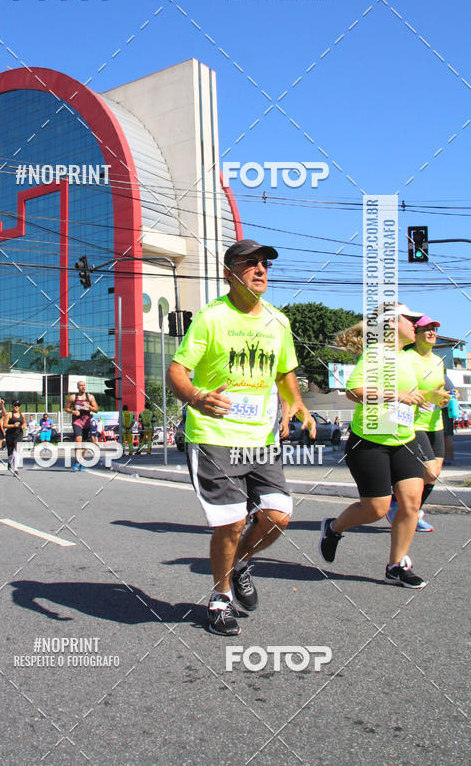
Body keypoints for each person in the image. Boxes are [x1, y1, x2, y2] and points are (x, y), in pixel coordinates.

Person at [166, 238, 315, 636]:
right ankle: (219, 598)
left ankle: (240, 564)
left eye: (265, 263)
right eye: (250, 263)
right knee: (230, 524)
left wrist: (296, 403)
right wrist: (196, 396)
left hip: (262, 439)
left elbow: (285, 371)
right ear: (229, 273)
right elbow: (177, 370)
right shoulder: (212, 318)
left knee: (278, 516)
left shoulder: (278, 321)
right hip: (215, 437)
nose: (261, 269)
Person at [319, 304, 444, 589]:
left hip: (404, 440)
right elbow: (353, 391)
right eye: (409, 319)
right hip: (370, 442)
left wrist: (429, 395)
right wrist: (396, 395)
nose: (415, 324)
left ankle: (396, 566)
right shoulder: (376, 354)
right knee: (376, 509)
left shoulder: (406, 357)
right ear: (390, 324)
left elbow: (409, 394)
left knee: (411, 503)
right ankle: (333, 528)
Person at [387, 315, 450, 531]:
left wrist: (447, 394)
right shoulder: (406, 358)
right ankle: (400, 506)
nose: (432, 332)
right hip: (413, 422)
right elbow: (403, 389)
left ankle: (410, 511)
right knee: (429, 471)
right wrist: (427, 395)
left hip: (435, 422)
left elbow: (439, 388)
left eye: (434, 328)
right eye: (427, 329)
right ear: (416, 334)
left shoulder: (438, 361)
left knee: (434, 475)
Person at [65, 381, 98, 470]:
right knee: (78, 440)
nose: (83, 387)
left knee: (83, 443)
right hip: (77, 421)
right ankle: (77, 461)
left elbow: (96, 410)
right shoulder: (73, 397)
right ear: (78, 387)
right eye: (81, 386)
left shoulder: (90, 397)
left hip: (86, 421)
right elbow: (66, 408)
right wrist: (73, 411)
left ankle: (82, 461)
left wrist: (88, 406)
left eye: (84, 385)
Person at [3, 399, 26, 475]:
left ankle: (16, 469)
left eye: (18, 405)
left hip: (19, 434)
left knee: (17, 449)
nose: (16, 407)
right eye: (15, 405)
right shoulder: (9, 414)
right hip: (10, 434)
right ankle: (9, 462)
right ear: (12, 406)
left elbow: (24, 422)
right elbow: (5, 425)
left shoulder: (22, 414)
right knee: (10, 452)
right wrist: (13, 425)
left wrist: (23, 426)